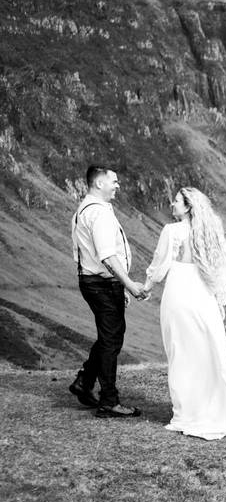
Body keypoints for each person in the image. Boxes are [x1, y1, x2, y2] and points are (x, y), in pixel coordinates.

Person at [142, 187, 226, 440]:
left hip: (180, 293)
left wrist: (145, 287)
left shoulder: (172, 231)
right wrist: (219, 301)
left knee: (181, 351)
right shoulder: (210, 232)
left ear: (188, 207)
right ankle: (210, 408)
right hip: (203, 294)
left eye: (177, 201)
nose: (172, 203)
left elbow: (161, 265)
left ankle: (185, 412)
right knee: (207, 352)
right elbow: (221, 270)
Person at [70, 165, 147, 418]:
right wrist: (128, 284)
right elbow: (107, 256)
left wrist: (118, 285)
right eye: (114, 181)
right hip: (101, 282)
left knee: (109, 336)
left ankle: (85, 380)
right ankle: (109, 401)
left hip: (97, 282)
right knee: (112, 339)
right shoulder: (99, 214)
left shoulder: (86, 209)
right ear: (99, 183)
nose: (118, 185)